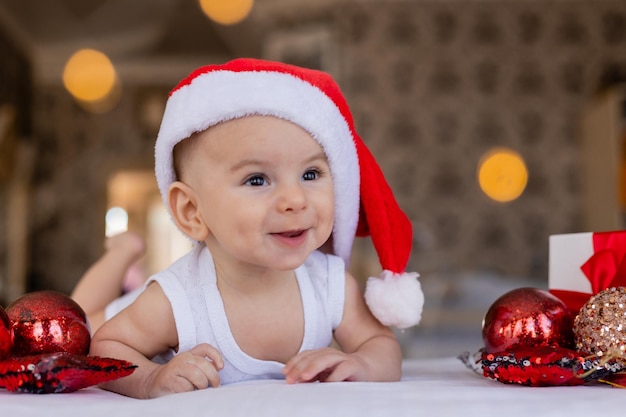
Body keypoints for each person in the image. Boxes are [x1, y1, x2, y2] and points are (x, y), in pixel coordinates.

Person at [86, 58, 424, 399]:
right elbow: (104, 347)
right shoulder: (177, 298)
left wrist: (363, 364)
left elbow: (380, 345)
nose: (294, 199)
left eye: (310, 174)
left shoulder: (330, 285)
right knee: (80, 321)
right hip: (111, 317)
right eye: (257, 179)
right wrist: (150, 379)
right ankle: (122, 252)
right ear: (192, 211)